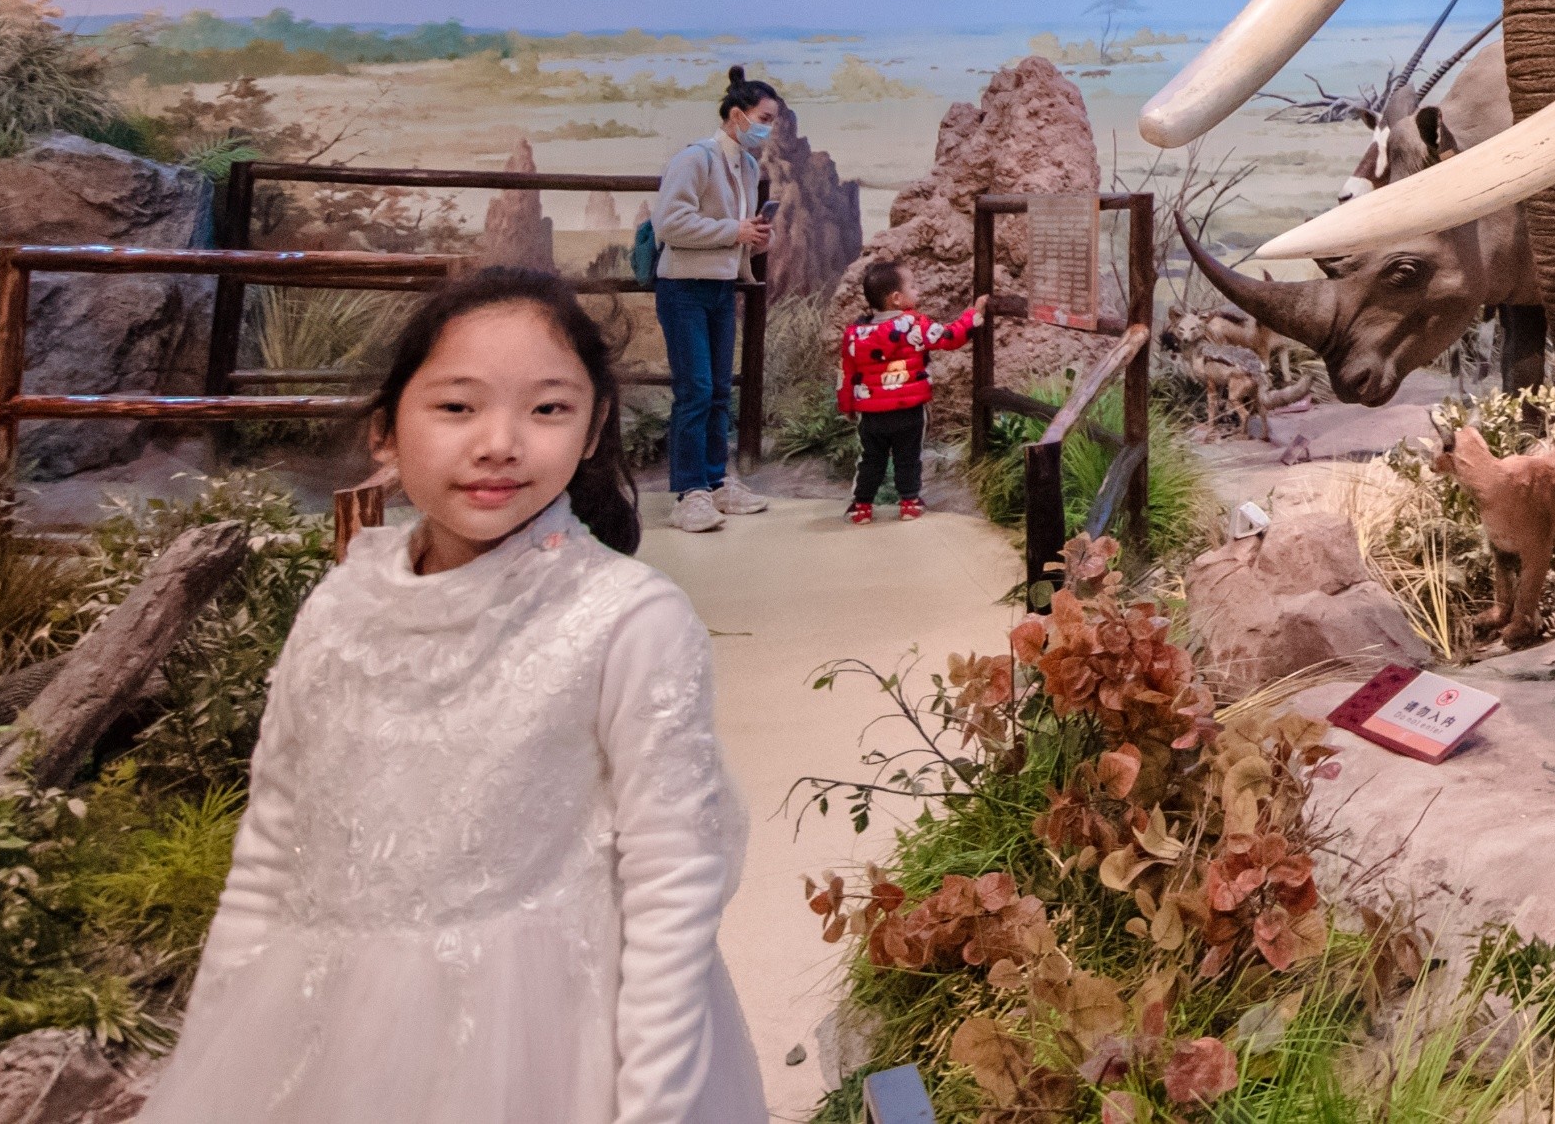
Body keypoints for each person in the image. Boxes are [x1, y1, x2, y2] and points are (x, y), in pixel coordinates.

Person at [142, 267, 758, 1124]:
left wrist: (654, 1107)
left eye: (548, 407)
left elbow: (673, 883)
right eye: (457, 406)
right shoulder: (341, 607)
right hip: (327, 1036)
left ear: (593, 428)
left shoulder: (628, 620)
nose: (500, 442)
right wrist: (215, 1039)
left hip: (546, 1051)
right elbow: (272, 848)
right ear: (385, 431)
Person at [648, 69, 780, 532]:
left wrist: (754, 239)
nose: (767, 129)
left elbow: (731, 232)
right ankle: (690, 492)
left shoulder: (747, 167)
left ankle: (716, 481)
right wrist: (733, 231)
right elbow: (669, 223)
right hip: (683, 288)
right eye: (764, 119)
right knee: (696, 391)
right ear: (737, 115)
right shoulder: (695, 159)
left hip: (721, 288)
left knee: (719, 391)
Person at [836, 257, 984, 523]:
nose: (918, 291)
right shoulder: (915, 325)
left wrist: (847, 406)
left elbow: (846, 375)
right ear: (896, 298)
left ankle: (862, 507)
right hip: (908, 412)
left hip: (871, 415)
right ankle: (909, 503)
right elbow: (950, 337)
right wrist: (973, 316)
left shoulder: (855, 335)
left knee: (871, 459)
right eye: (913, 286)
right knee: (908, 457)